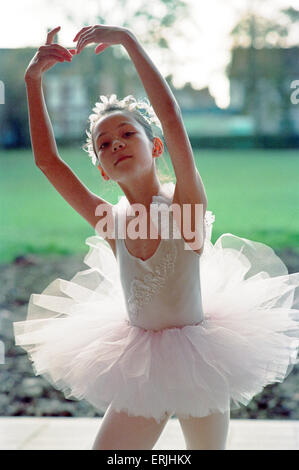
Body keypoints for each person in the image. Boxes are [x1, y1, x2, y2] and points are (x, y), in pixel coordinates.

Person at [13, 25, 299, 451]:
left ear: (157, 147)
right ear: (103, 171)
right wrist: (33, 81)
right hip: (138, 365)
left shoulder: (185, 207)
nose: (117, 144)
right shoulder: (110, 221)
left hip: (203, 360)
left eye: (128, 134)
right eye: (104, 143)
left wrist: (128, 40)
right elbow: (48, 162)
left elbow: (170, 115)